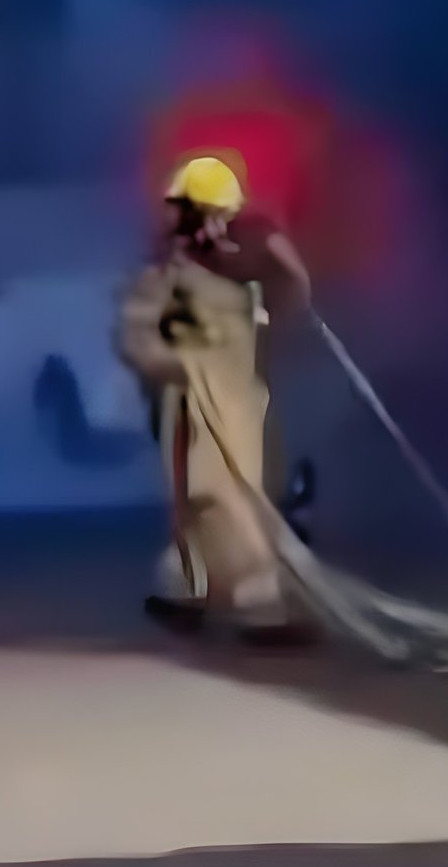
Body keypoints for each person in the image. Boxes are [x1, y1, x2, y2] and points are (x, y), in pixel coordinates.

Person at [118, 156, 316, 640]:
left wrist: (274, 258)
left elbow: (290, 294)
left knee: (229, 496)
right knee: (205, 497)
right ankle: (230, 599)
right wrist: (169, 364)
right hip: (191, 407)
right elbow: (140, 338)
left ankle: (221, 596)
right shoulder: (170, 276)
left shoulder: (241, 273)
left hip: (235, 407)